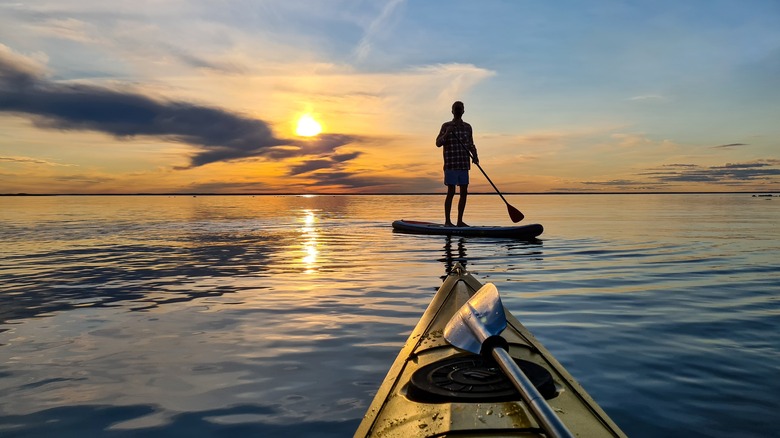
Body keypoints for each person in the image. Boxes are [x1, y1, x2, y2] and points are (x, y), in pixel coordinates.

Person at [436, 101, 479, 227]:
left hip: (463, 164)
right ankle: (448, 222)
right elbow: (438, 143)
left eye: (460, 109)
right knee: (451, 191)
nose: (458, 110)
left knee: (464, 192)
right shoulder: (446, 126)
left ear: (463, 111)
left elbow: (471, 144)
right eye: (456, 108)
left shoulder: (468, 127)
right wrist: (447, 133)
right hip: (451, 164)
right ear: (452, 111)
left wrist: (475, 156)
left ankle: (460, 221)